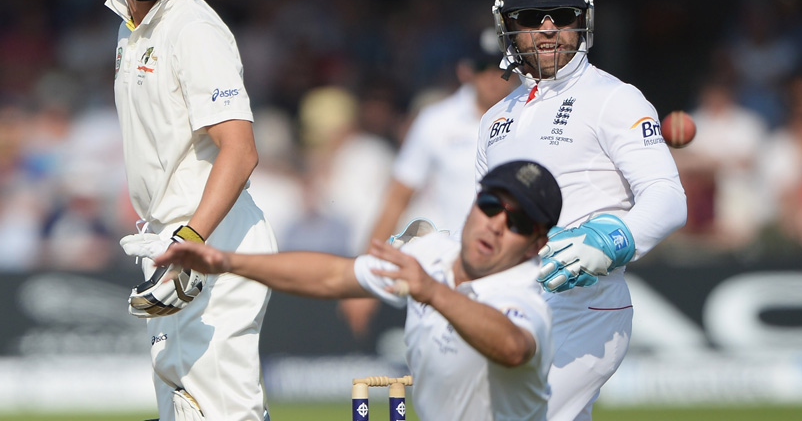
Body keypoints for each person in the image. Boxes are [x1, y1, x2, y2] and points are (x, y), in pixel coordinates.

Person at [152, 160, 562, 421]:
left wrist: (432, 292)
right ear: (474, 202)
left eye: (519, 222)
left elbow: (512, 347)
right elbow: (333, 276)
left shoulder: (525, 297)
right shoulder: (432, 254)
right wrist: (227, 262)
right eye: (492, 204)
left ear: (536, 243)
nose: (496, 224)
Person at [479, 0, 688, 421]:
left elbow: (668, 198)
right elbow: (485, 225)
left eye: (564, 16)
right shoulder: (494, 119)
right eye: (533, 18)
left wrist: (610, 241)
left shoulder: (614, 97)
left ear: (584, 20)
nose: (549, 30)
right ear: (508, 25)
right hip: (512, 305)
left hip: (585, 304)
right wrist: (433, 248)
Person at [100, 0, 277, 421]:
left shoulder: (192, 27)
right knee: (185, 410)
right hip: (177, 242)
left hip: (209, 241)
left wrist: (191, 241)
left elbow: (240, 150)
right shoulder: (133, 33)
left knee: (223, 412)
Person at [338, 27, 518, 336]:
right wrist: (366, 277)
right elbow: (397, 197)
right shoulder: (435, 122)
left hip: (518, 263)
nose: (493, 77)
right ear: (465, 72)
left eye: (502, 68)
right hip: (455, 269)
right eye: (483, 67)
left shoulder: (533, 113)